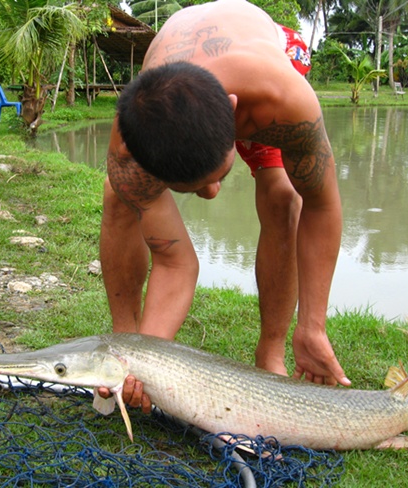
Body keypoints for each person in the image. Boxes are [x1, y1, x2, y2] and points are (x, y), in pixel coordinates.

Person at [99, 0, 351, 410]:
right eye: (195, 188)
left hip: (264, 53)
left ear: (234, 116)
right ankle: (122, 345)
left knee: (282, 197)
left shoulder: (285, 105)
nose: (213, 193)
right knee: (118, 195)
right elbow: (174, 259)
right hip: (174, 72)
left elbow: (321, 204)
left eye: (217, 177)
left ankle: (271, 353)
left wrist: (314, 325)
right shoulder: (129, 152)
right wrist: (139, 362)